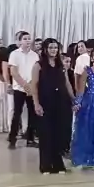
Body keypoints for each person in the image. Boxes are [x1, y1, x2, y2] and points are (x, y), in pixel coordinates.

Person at [31, 38, 74, 174]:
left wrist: (73, 99)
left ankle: (58, 163)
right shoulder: (38, 65)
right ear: (45, 49)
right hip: (45, 102)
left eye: (55, 48)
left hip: (61, 102)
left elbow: (67, 83)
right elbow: (34, 85)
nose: (53, 50)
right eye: (51, 48)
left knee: (58, 134)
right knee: (46, 134)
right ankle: (45, 165)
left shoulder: (61, 64)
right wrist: (36, 103)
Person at [7, 32, 39, 149]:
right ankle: (12, 139)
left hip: (32, 88)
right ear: (20, 41)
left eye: (29, 38)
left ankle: (30, 139)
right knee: (17, 114)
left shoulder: (35, 55)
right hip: (19, 88)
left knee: (32, 114)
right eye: (25, 39)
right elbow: (13, 72)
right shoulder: (14, 54)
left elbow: (36, 71)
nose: (27, 40)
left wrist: (31, 85)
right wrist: (25, 85)